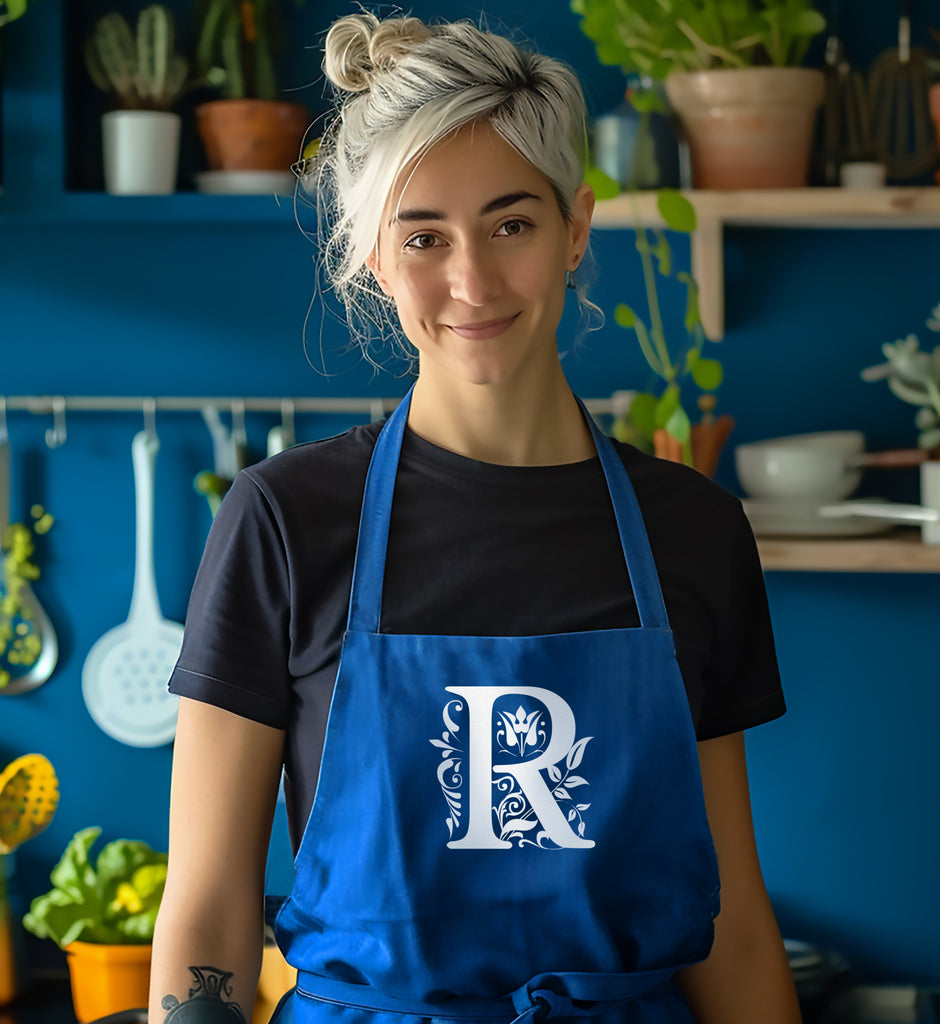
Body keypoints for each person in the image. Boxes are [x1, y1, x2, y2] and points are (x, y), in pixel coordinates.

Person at [149, 10, 800, 1024]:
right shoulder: (284, 520)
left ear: (576, 227)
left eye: (511, 224)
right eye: (423, 236)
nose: (471, 281)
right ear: (372, 257)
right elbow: (205, 913)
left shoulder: (694, 531)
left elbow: (736, 924)